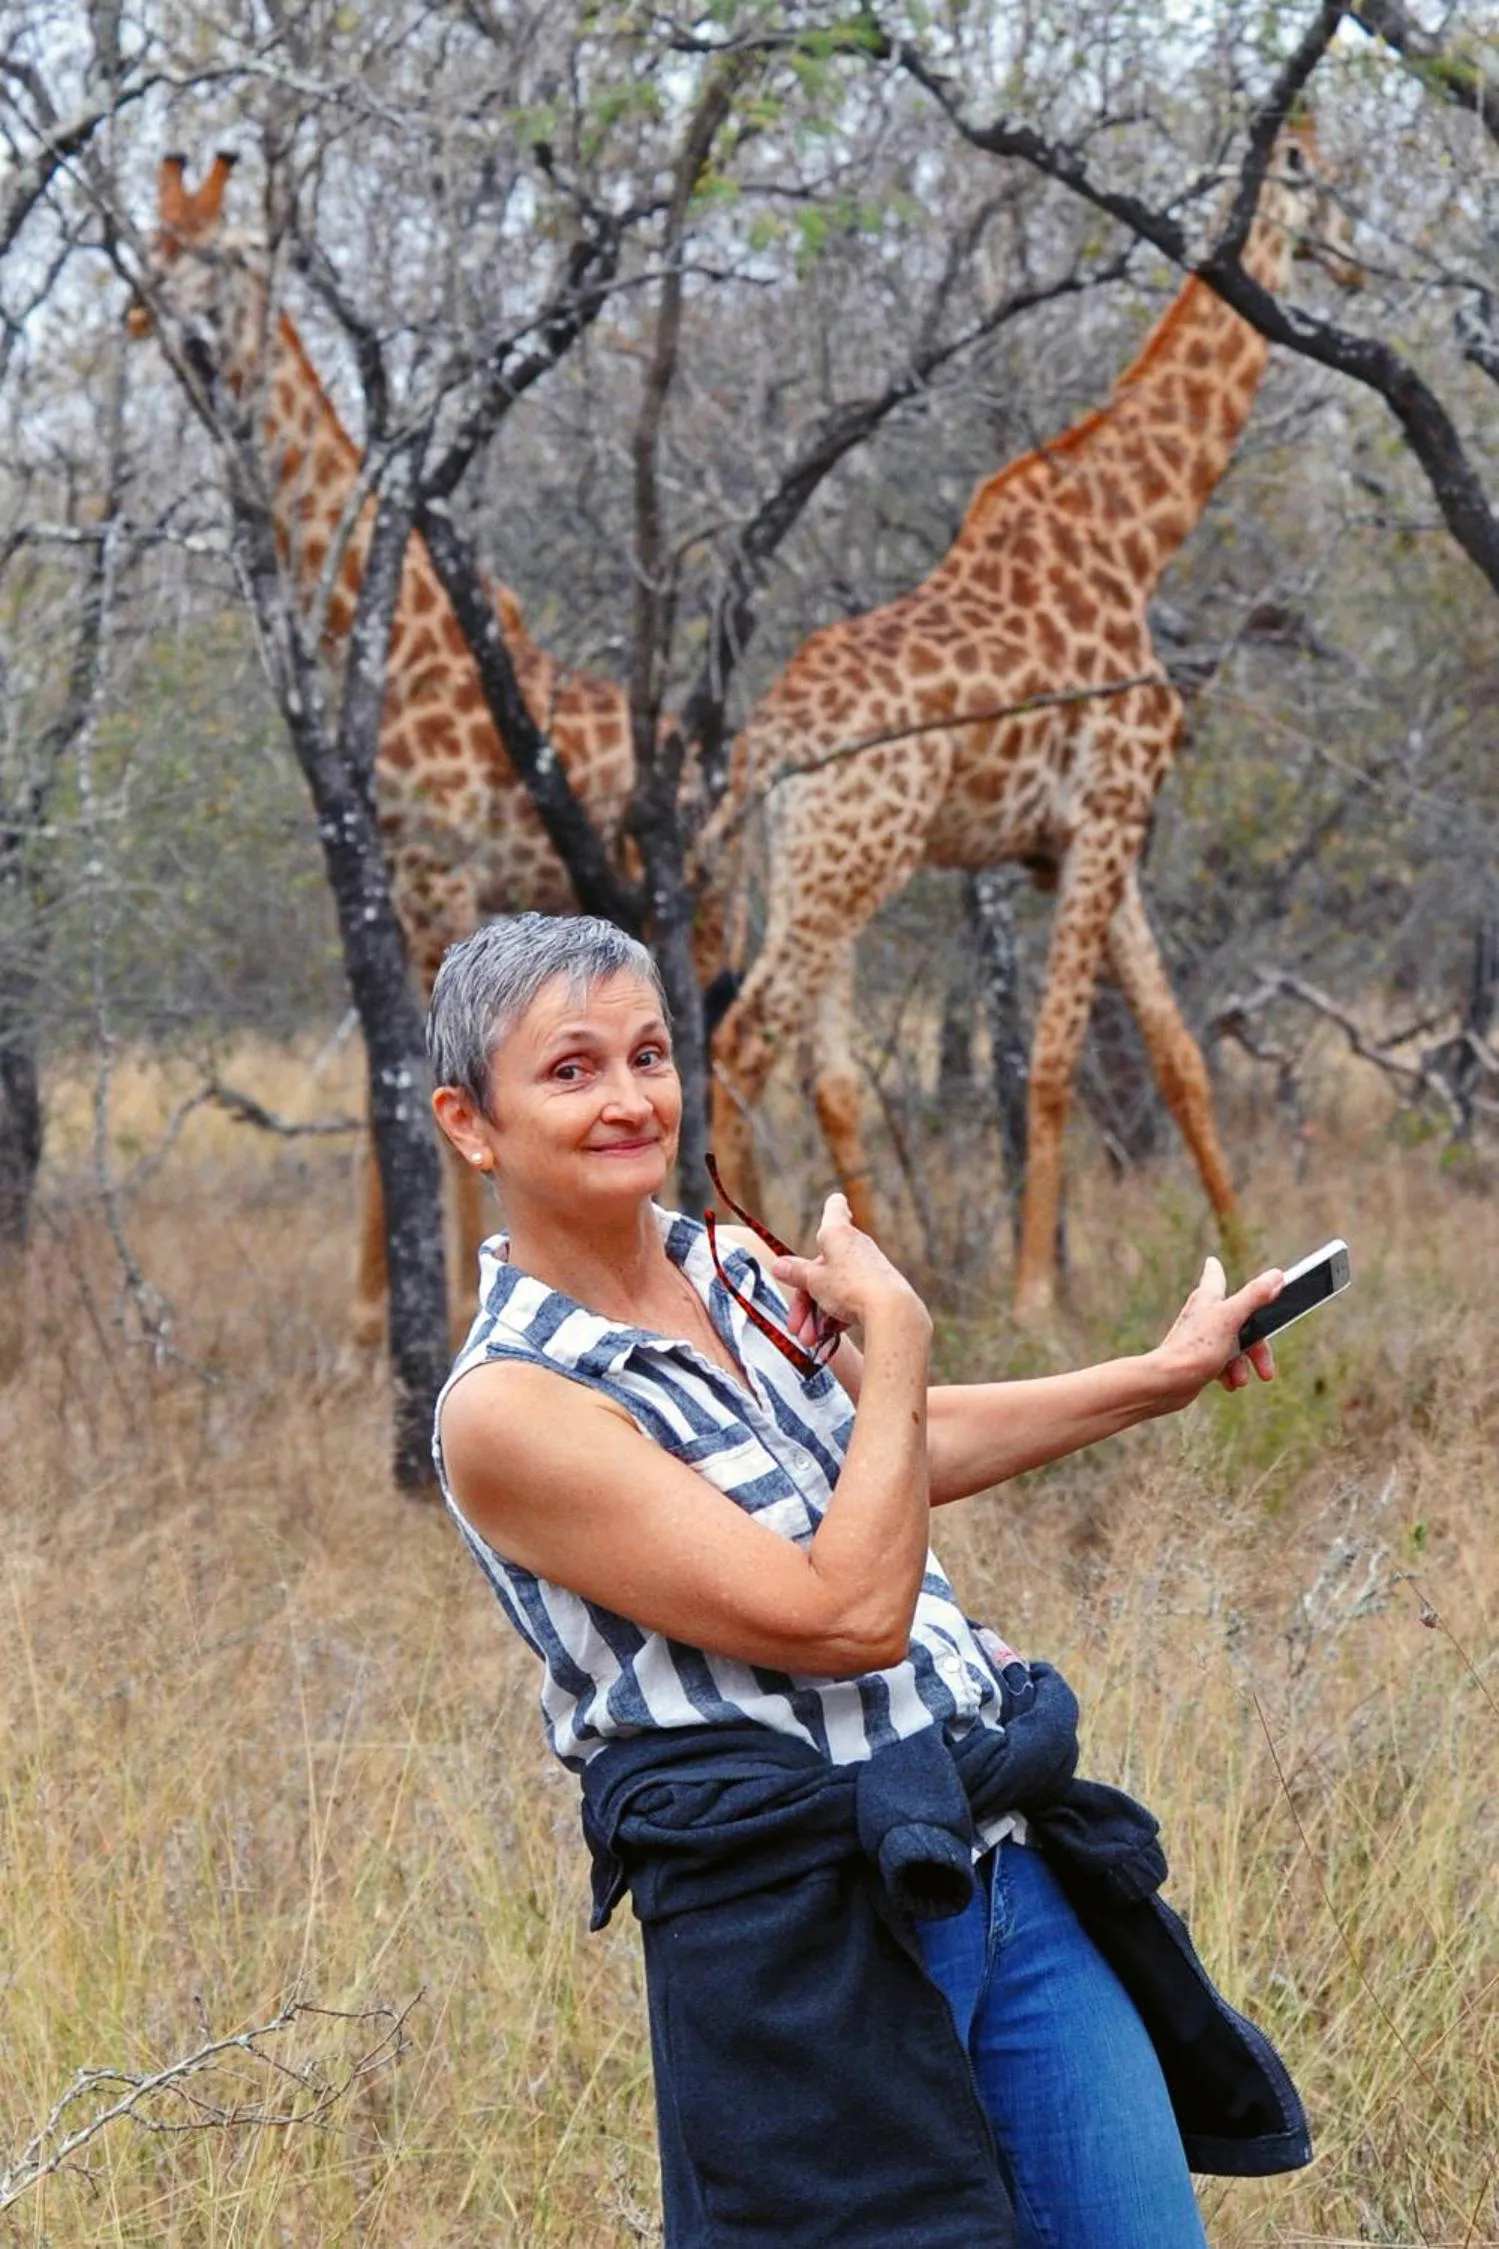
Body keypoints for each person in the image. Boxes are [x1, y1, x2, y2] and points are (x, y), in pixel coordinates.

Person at [427, 910, 1309, 2249]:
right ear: (470, 1123)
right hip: (808, 1932)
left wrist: (1158, 1376)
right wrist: (895, 1333)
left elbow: (892, 1456)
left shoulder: (726, 1262)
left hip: (998, 1860)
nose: (629, 1100)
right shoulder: (513, 1405)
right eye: (571, 1070)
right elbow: (842, 1616)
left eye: (649, 1056)